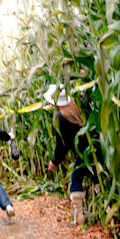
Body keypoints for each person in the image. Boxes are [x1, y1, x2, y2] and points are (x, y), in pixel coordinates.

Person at [43, 84, 92, 225]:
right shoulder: (79, 104)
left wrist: (55, 161)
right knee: (95, 177)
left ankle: (79, 216)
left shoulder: (61, 117)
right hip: (97, 147)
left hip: (83, 154)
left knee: (76, 178)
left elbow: (62, 145)